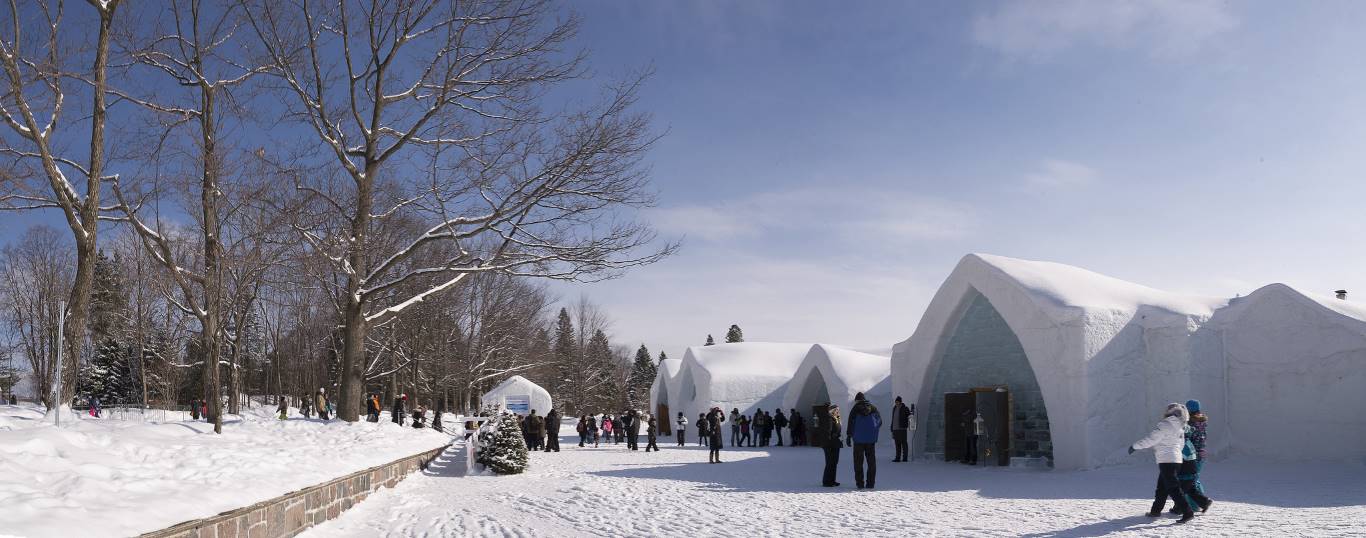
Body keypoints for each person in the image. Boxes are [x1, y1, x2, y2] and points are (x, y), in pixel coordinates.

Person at [1129, 402, 1196, 524]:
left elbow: (1151, 439)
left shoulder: (1165, 425)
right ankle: (1156, 510)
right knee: (1162, 487)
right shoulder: (1180, 427)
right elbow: (1180, 445)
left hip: (1167, 461)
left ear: (1169, 413)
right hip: (1176, 460)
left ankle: (1187, 512)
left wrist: (1135, 446)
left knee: (1173, 488)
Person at [1171, 399, 1212, 514]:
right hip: (1201, 455)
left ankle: (1194, 505)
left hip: (1191, 456)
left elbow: (1184, 439)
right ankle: (1199, 502)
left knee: (1188, 481)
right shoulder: (1202, 422)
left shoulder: (1190, 424)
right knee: (1194, 479)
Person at [846, 392, 882, 489]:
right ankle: (871, 484)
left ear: (857, 400)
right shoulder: (873, 408)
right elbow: (880, 422)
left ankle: (860, 484)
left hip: (858, 440)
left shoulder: (855, 409)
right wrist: (873, 431)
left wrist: (849, 436)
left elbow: (851, 423)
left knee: (858, 462)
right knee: (871, 462)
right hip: (870, 440)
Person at [821, 404, 843, 487]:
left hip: (835, 443)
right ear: (832, 411)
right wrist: (828, 442)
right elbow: (827, 432)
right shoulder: (828, 418)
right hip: (829, 444)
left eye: (838, 410)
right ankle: (826, 481)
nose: (837, 411)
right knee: (830, 462)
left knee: (834, 462)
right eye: (836, 410)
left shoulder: (836, 419)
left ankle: (832, 480)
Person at [891, 396, 911, 462]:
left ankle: (905, 458)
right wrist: (892, 427)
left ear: (900, 402)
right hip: (895, 429)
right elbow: (893, 419)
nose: (896, 403)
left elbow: (909, 416)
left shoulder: (905, 408)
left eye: (897, 402)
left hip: (902, 428)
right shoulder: (894, 408)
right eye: (896, 402)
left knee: (904, 443)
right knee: (897, 444)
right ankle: (897, 458)